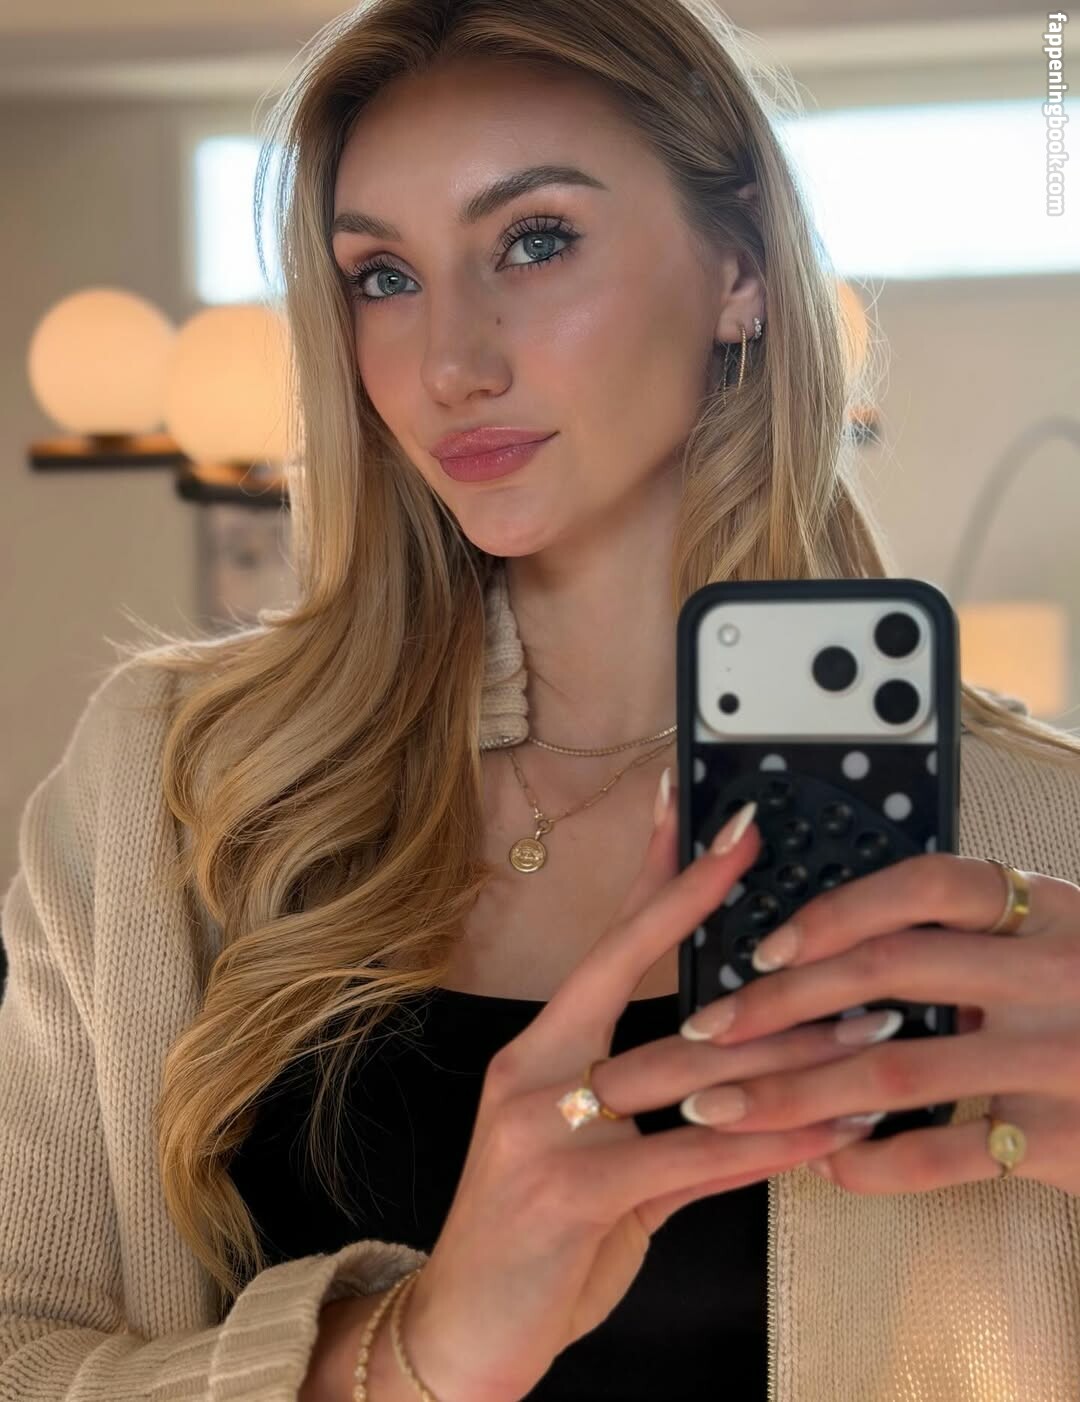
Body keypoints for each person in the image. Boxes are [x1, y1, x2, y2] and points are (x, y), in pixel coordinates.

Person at [4, 1, 1080, 1399]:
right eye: (384, 276)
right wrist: (407, 1353)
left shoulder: (1042, 837)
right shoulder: (172, 786)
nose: (451, 364)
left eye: (534, 240)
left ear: (741, 270)